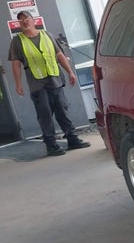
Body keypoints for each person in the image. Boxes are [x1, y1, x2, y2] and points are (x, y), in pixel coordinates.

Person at [8, 10, 91, 156]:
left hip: (55, 79)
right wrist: (18, 84)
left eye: (26, 18)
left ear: (33, 20)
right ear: (19, 24)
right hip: (37, 84)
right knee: (45, 113)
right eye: (20, 20)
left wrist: (70, 72)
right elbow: (15, 64)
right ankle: (51, 145)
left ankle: (72, 139)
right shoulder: (17, 41)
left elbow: (59, 54)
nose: (24, 21)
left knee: (62, 110)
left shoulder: (46, 35)